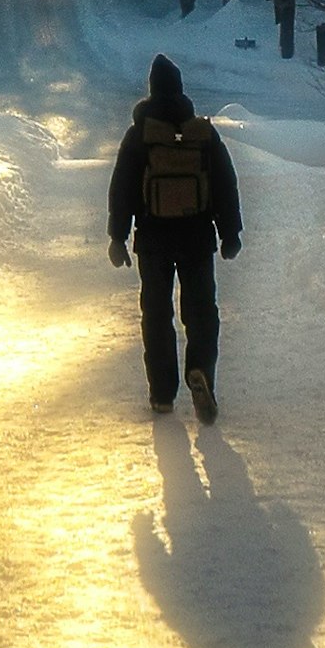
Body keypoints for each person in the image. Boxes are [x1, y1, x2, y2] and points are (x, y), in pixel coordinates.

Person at [109, 55, 241, 421]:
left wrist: (117, 237)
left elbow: (121, 188)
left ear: (151, 90)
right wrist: (230, 233)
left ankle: (163, 395)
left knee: (156, 314)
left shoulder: (141, 135)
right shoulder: (202, 134)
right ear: (181, 90)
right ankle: (200, 372)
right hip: (197, 237)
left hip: (153, 239)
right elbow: (225, 184)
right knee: (201, 312)